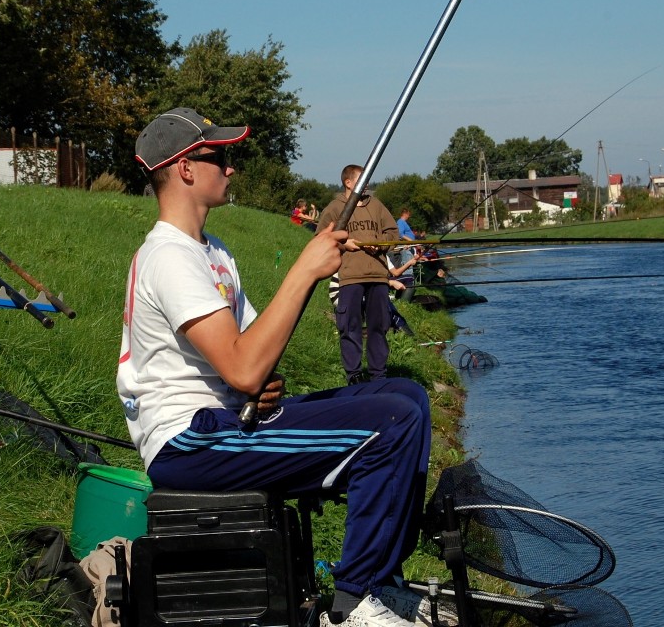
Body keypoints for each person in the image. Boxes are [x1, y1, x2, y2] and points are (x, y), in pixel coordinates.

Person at [117, 107, 444, 627]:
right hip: (188, 441)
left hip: (227, 422)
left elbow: (252, 359)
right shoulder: (169, 257)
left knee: (409, 397)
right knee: (392, 423)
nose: (231, 168)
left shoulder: (213, 253)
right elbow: (244, 369)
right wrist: (304, 272)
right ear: (184, 168)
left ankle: (385, 583)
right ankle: (353, 603)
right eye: (219, 156)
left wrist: (262, 381)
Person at [316, 166, 398, 385]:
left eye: (369, 179)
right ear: (348, 183)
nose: (368, 183)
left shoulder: (377, 205)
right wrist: (344, 244)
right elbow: (321, 238)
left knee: (379, 326)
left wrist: (379, 245)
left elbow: (392, 233)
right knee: (349, 327)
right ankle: (354, 377)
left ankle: (378, 376)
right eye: (362, 179)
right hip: (350, 276)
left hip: (379, 276)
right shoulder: (335, 208)